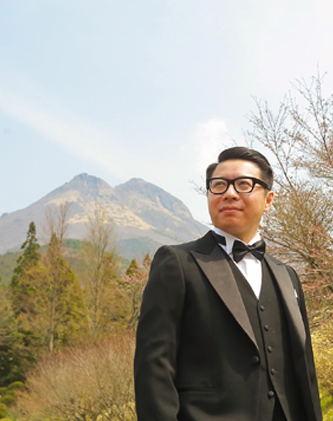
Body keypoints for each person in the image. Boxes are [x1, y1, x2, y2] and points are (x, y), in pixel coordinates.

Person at [134, 146, 322, 421]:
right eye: (219, 185)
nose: (229, 193)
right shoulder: (177, 263)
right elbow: (153, 367)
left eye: (244, 184)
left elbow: (305, 369)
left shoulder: (287, 276)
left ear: (268, 199)